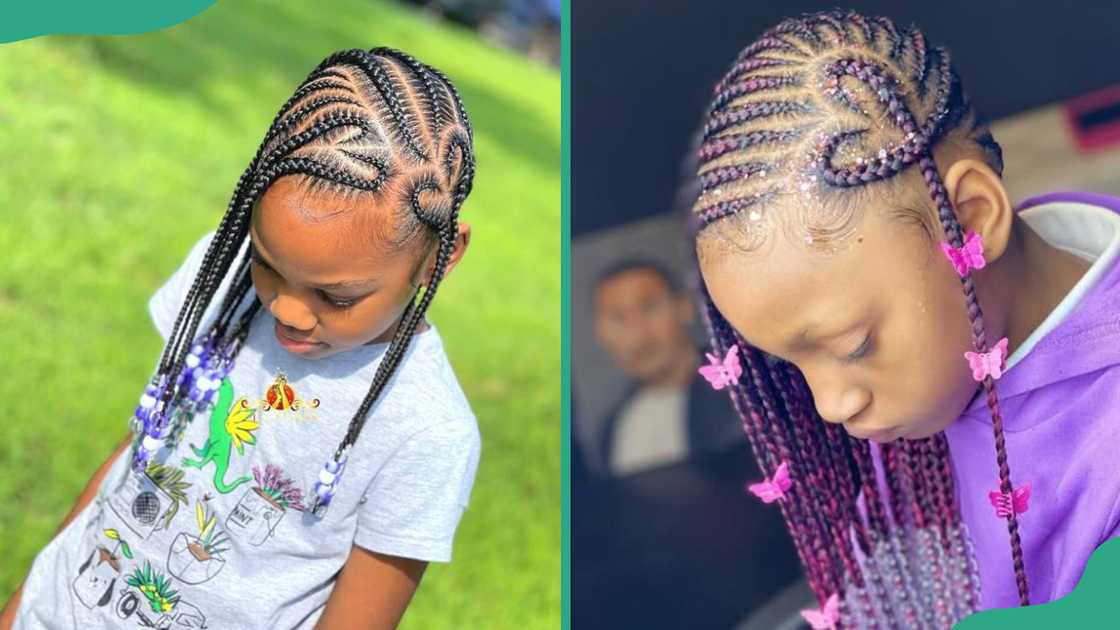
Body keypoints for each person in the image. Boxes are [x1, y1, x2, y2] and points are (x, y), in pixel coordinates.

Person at [2, 47, 481, 630]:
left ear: (441, 258)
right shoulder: (220, 277)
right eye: (267, 264)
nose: (287, 309)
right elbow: (133, 455)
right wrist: (25, 601)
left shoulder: (425, 432)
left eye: (336, 297)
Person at [690, 9, 1120, 626]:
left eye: (853, 345)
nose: (830, 406)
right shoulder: (923, 396)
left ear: (970, 219)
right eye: (792, 366)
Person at [592, 259, 744, 477]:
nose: (638, 332)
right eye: (618, 318)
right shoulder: (611, 430)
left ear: (684, 309)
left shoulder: (742, 395)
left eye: (649, 307)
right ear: (601, 334)